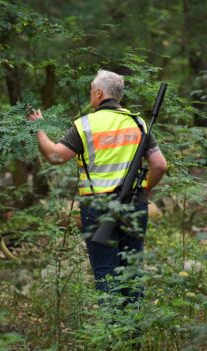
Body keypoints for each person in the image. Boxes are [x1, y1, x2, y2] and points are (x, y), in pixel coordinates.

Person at [30, 70, 167, 303]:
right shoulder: (138, 122)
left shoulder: (86, 125)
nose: (90, 93)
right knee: (132, 274)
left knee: (106, 274)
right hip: (135, 207)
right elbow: (159, 166)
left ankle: (112, 335)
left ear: (99, 92)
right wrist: (142, 190)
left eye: (91, 89)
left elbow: (54, 156)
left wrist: (38, 128)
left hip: (98, 207)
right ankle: (133, 336)